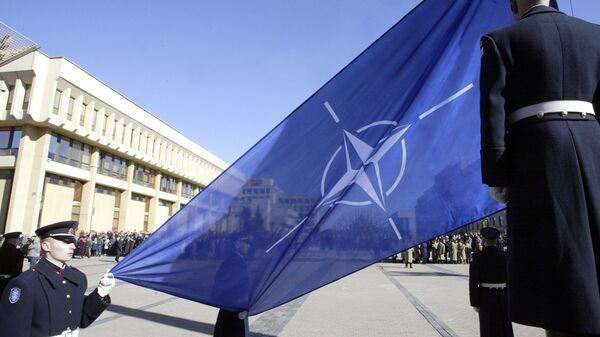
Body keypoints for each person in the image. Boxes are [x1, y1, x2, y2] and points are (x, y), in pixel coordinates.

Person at [479, 0, 600, 335]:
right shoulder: (595, 35)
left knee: (555, 275)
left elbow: (492, 115)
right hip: (593, 147)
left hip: (538, 154)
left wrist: (497, 176)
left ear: (514, 5)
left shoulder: (500, 40)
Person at [0, 221, 115, 336]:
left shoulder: (77, 278)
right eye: (66, 242)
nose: (73, 246)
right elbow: (13, 331)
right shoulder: (26, 283)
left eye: (73, 242)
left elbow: (83, 319)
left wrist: (101, 292)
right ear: (46, 246)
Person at [469, 227, 513, 337]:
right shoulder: (505, 256)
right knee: (504, 327)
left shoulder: (478, 256)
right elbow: (512, 279)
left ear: (483, 240)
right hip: (503, 295)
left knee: (488, 328)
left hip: (486, 296)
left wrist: (474, 302)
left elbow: (473, 282)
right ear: (497, 240)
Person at [212, 234, 251, 337]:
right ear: (238, 244)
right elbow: (234, 286)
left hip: (232, 307)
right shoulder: (234, 262)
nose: (248, 246)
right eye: (246, 243)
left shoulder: (236, 260)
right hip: (233, 308)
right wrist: (241, 304)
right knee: (232, 332)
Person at [0, 232, 24, 296]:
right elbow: (17, 271)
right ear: (14, 241)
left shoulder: (1, 250)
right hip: (8, 282)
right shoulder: (18, 253)